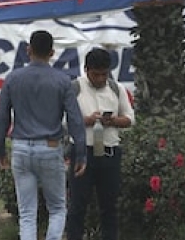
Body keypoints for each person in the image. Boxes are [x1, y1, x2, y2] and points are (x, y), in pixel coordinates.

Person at [0, 30, 86, 240]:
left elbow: (2, 119)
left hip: (21, 148)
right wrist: (80, 153)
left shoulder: (13, 79)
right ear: (52, 52)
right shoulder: (63, 81)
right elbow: (75, 120)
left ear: (28, 50)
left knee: (27, 213)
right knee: (57, 208)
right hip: (50, 147)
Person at [66, 48, 134, 240]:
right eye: (96, 74)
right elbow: (63, 121)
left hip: (110, 152)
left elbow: (130, 118)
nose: (101, 78)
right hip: (83, 153)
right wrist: (86, 120)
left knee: (109, 206)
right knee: (78, 205)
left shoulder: (116, 88)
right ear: (87, 70)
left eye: (104, 74)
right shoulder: (74, 88)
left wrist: (112, 120)